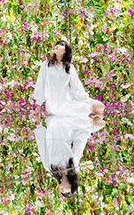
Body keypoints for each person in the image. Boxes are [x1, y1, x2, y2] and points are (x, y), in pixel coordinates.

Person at [31, 40, 105, 198]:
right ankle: (89, 113)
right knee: (97, 114)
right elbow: (40, 85)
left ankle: (89, 110)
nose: (63, 190)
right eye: (67, 191)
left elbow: (77, 88)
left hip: (68, 103)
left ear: (66, 51)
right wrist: (38, 106)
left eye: (61, 45)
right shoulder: (46, 66)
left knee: (99, 109)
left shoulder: (50, 169)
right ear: (72, 185)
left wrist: (85, 100)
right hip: (55, 106)